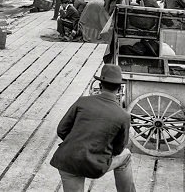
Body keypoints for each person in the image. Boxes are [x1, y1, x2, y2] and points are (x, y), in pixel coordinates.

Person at [50, 63, 135, 192]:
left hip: (67, 160)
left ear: (100, 86)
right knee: (126, 155)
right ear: (119, 89)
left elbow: (61, 130)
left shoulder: (82, 101)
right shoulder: (123, 116)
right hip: (94, 164)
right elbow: (118, 150)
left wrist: (79, 143)